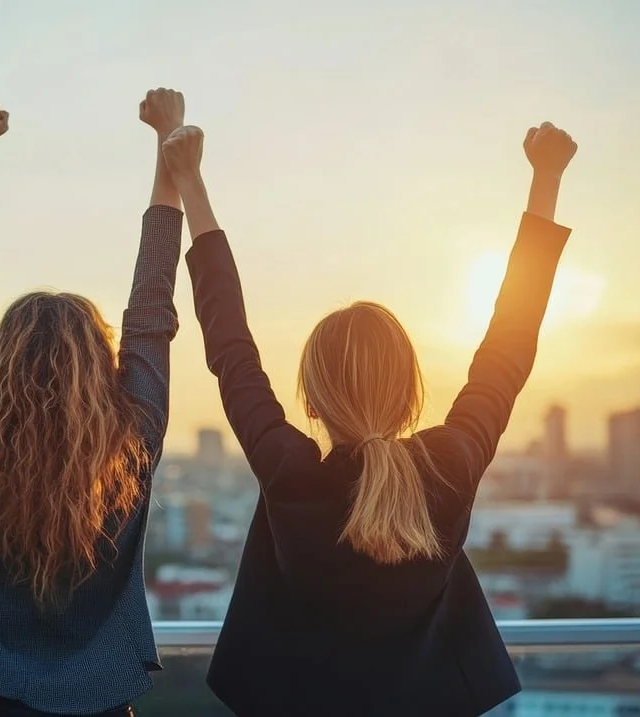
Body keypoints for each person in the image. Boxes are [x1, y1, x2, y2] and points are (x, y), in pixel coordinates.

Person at [163, 121, 577, 716]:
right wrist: (546, 179)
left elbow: (230, 346)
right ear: (410, 392)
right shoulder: (450, 466)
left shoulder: (291, 473)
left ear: (312, 398)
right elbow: (509, 347)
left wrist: (189, 180)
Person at [0, 89, 186, 716]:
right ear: (100, 370)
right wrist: (167, 146)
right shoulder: (130, 447)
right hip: (104, 702)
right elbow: (150, 315)